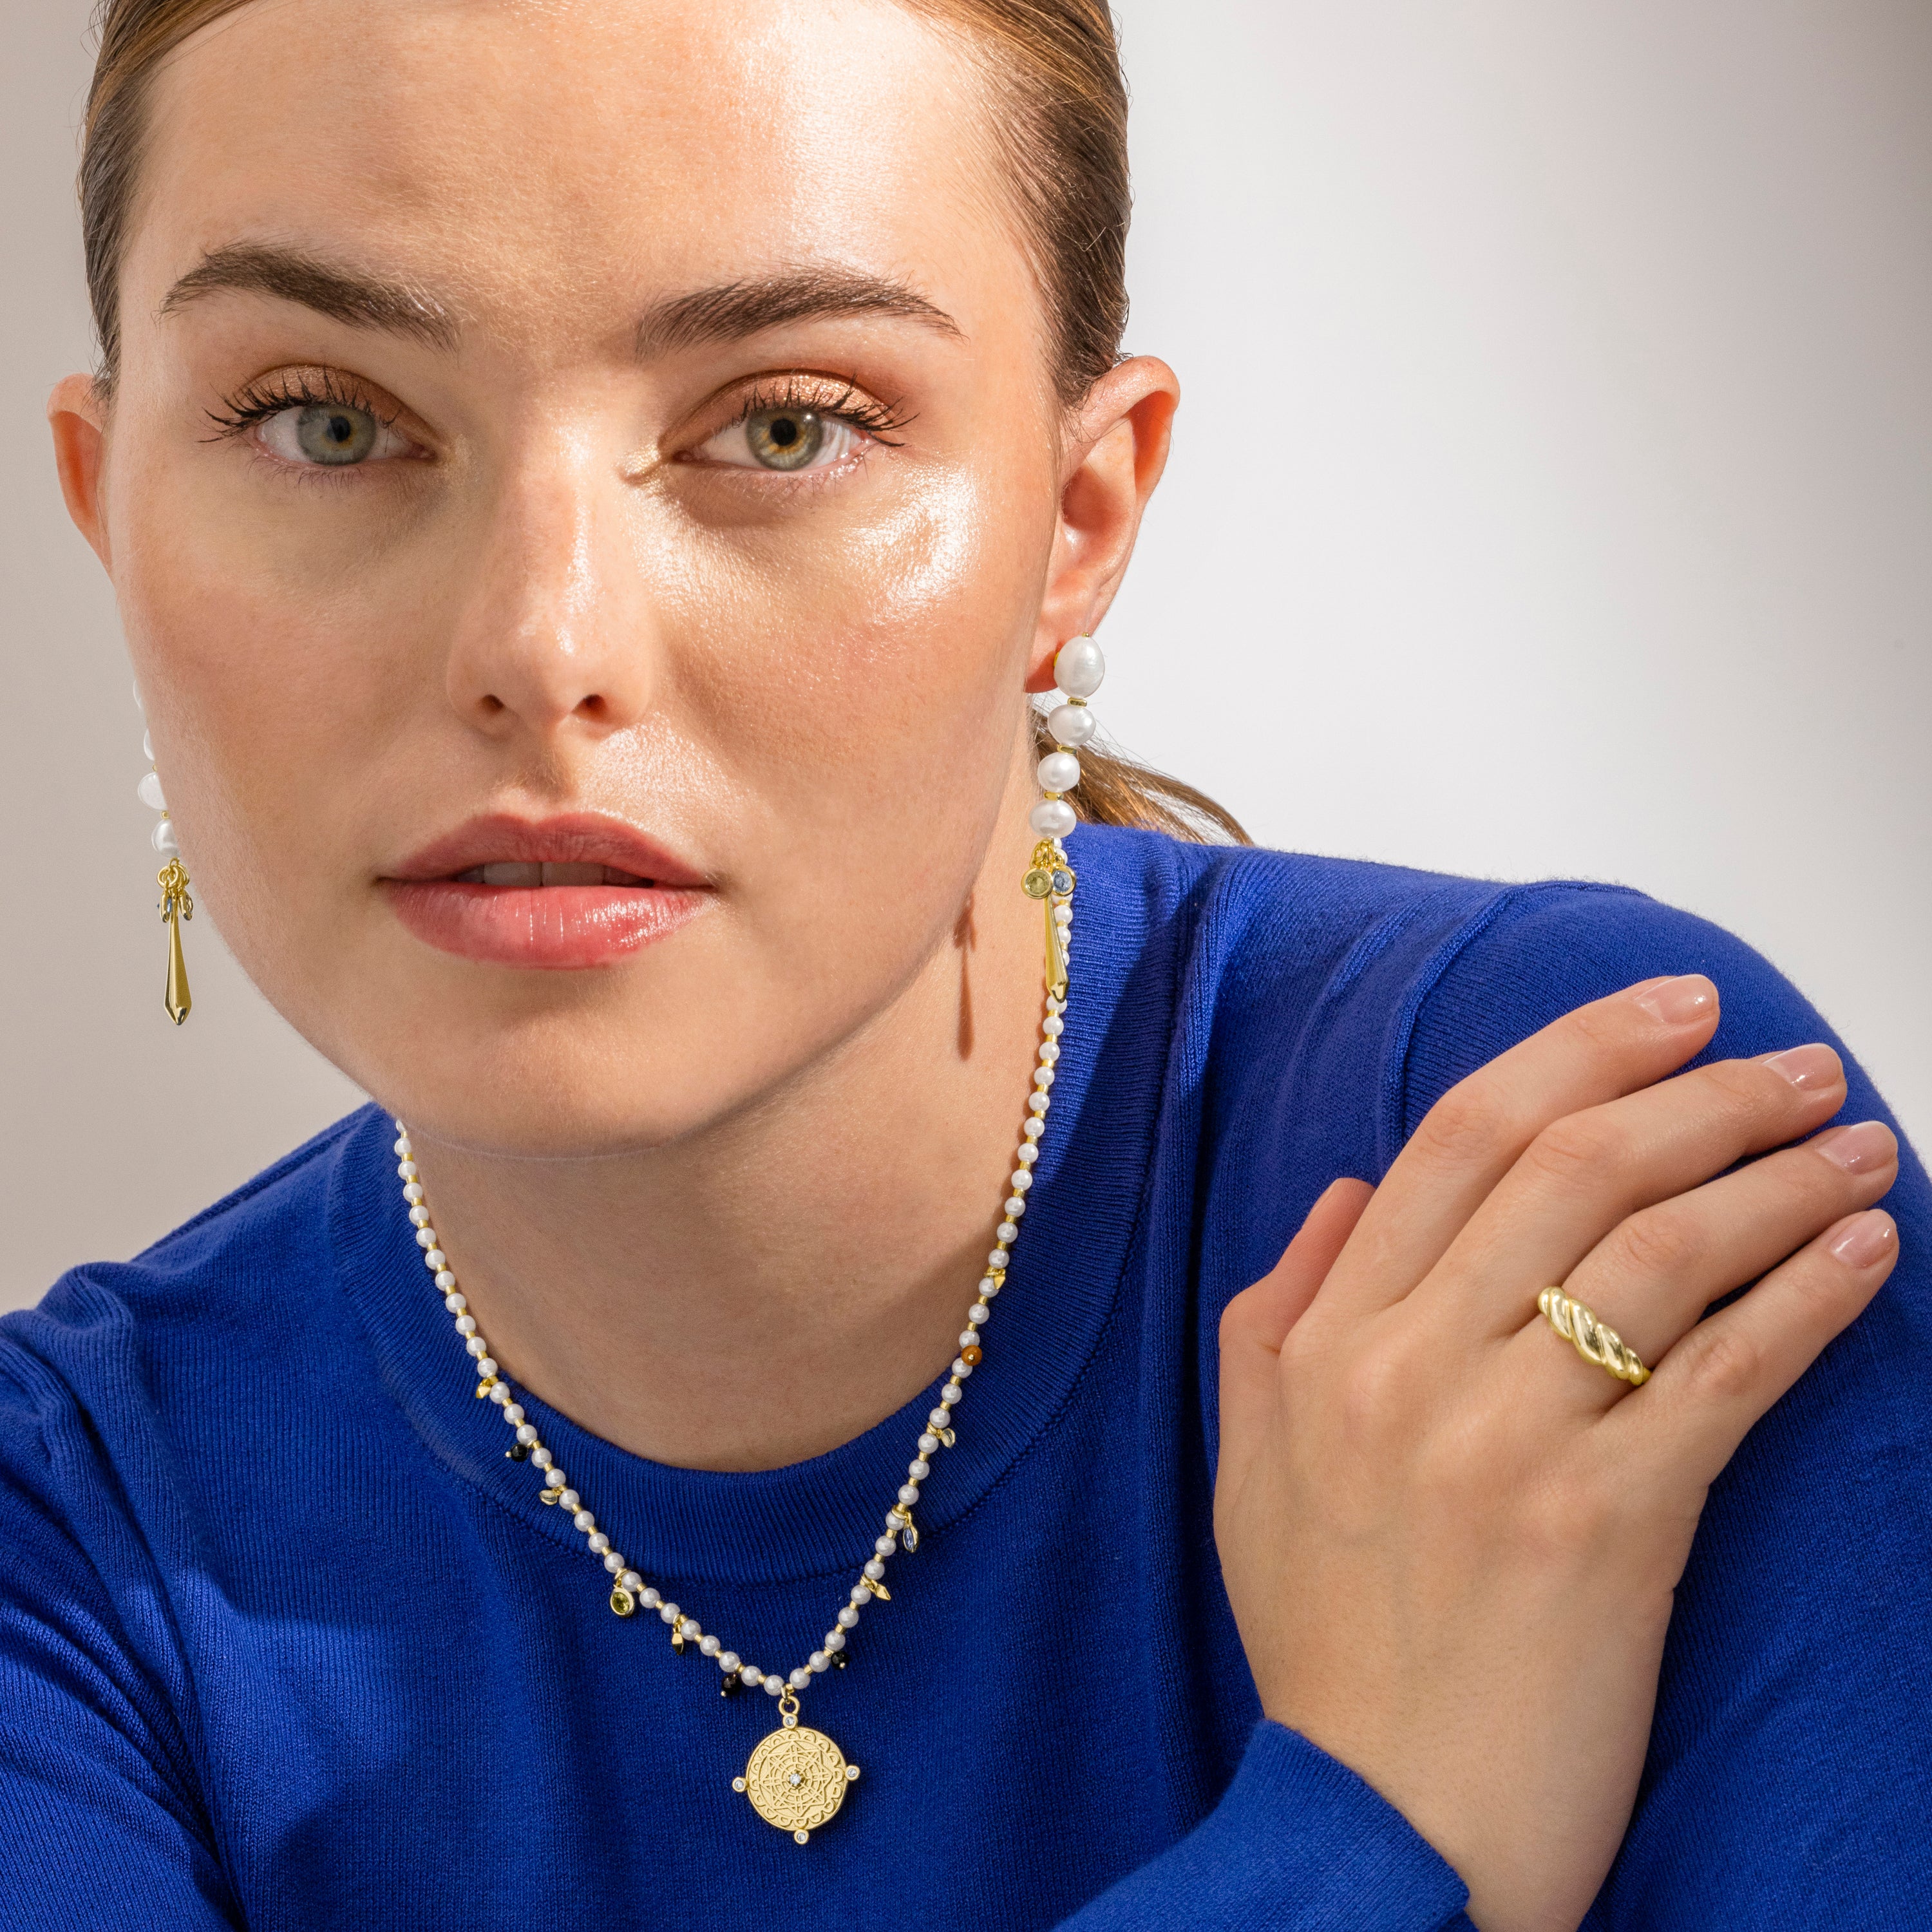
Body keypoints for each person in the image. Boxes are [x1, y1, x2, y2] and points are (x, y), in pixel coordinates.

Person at [8, 0, 1927, 1925]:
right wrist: (1368, 1827)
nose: (540, 643)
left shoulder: (1552, 1158)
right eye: (327, 421)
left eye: (784, 426)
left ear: (1078, 521)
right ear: (109, 512)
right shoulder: (62, 1541)